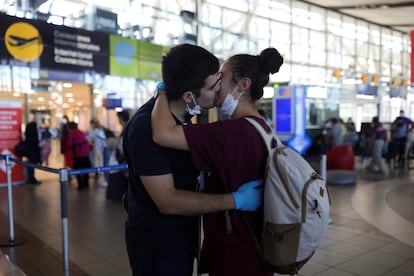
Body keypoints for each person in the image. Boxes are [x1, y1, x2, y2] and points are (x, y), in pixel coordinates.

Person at [123, 44, 263, 276]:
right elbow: (167, 201)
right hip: (157, 244)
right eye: (213, 86)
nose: (219, 89)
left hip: (183, 234)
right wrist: (236, 200)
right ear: (188, 96)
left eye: (220, 80)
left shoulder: (185, 115)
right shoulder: (144, 128)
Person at [152, 47, 283, 275]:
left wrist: (166, 89)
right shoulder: (263, 128)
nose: (217, 83)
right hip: (259, 249)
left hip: (234, 253)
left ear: (242, 85)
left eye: (222, 76)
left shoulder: (230, 132)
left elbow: (163, 133)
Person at [66, 121, 92, 190]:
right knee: (86, 168)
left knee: (77, 169)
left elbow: (69, 144)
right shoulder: (80, 132)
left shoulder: (71, 133)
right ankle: (86, 184)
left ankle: (81, 185)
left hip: (78, 153)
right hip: (86, 152)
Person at [24, 112, 42, 185]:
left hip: (34, 148)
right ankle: (31, 179)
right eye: (39, 117)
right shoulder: (32, 125)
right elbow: (31, 138)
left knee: (33, 163)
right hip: (32, 149)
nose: (40, 119)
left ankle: (32, 178)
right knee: (31, 163)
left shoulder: (36, 126)